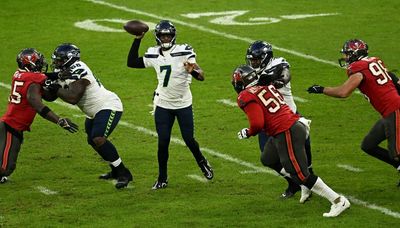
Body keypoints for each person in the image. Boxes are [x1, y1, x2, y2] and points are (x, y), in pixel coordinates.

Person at [233, 65, 350, 217]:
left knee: (300, 174)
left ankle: (338, 201)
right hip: (290, 125)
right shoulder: (265, 85)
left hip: (287, 131)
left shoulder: (245, 96)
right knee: (268, 158)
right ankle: (305, 184)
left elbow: (257, 124)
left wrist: (247, 132)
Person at [126, 20, 213, 189]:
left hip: (183, 103)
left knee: (188, 139)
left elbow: (201, 76)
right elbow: (131, 62)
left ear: (173, 36)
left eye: (168, 35)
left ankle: (202, 162)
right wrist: (137, 39)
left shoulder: (183, 51)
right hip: (163, 103)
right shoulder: (153, 53)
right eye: (162, 35)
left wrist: (193, 71)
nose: (165, 38)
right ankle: (162, 178)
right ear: (157, 37)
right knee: (163, 141)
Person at [307, 38, 400, 186]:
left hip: (394, 110)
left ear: (356, 53)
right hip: (390, 111)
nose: (345, 57)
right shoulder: (374, 61)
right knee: (369, 145)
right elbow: (394, 79)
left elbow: (344, 92)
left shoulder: (358, 68)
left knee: (396, 152)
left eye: (347, 54)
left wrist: (322, 89)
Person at [46, 43, 132, 189]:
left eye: (60, 60)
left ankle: (124, 173)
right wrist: (45, 87)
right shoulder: (60, 71)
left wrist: (55, 88)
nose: (57, 63)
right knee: (92, 141)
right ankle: (115, 169)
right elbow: (50, 97)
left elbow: (73, 97)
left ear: (70, 59)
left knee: (98, 138)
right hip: (92, 111)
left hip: (108, 106)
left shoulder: (80, 69)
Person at [245, 40, 314, 201]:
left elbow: (285, 73)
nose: (253, 63)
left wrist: (280, 81)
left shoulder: (277, 64)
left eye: (256, 59)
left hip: (290, 117)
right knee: (269, 157)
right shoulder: (250, 73)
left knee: (305, 152)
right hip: (268, 122)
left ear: (265, 57)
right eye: (251, 60)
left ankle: (310, 183)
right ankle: (294, 183)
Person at [0, 48, 78, 184]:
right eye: (38, 61)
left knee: (6, 167)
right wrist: (59, 120)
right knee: (5, 169)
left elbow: (47, 95)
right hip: (11, 127)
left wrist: (57, 80)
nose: (41, 63)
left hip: (11, 125)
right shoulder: (34, 79)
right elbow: (37, 104)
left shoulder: (19, 74)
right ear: (30, 64)